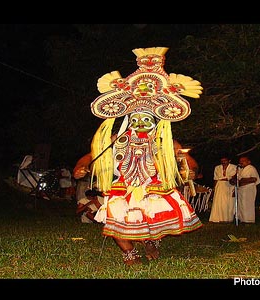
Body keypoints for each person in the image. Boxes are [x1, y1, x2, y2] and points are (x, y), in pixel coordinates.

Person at [74, 46, 203, 265]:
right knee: (114, 220)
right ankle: (129, 253)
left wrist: (190, 169)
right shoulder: (118, 138)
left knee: (149, 220)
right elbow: (91, 155)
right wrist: (82, 166)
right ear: (128, 119)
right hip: (122, 186)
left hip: (152, 186)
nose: (140, 124)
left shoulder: (166, 141)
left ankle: (151, 241)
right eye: (135, 119)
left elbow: (188, 161)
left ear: (156, 120)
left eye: (146, 120)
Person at [230, 155, 260, 224]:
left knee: (248, 204)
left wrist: (241, 181)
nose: (241, 163)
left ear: (249, 162)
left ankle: (249, 220)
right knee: (242, 205)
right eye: (240, 161)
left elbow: (254, 179)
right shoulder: (240, 169)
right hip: (241, 189)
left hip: (249, 189)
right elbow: (235, 179)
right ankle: (242, 219)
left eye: (243, 161)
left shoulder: (251, 168)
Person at [209, 156, 237, 223]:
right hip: (220, 185)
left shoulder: (234, 167)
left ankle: (228, 218)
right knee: (218, 201)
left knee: (228, 202)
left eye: (225, 160)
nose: (223, 162)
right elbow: (215, 178)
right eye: (222, 161)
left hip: (229, 185)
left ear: (229, 160)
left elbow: (235, 177)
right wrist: (214, 188)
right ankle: (217, 218)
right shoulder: (217, 167)